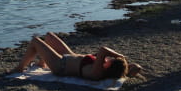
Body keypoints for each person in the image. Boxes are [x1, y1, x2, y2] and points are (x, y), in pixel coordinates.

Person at [12, 32, 142, 80]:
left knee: (35, 40)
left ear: (110, 66)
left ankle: (20, 67)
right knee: (49, 36)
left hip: (60, 65)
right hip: (69, 57)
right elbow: (137, 68)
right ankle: (42, 62)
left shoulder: (98, 72)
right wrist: (126, 65)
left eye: (112, 60)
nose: (111, 59)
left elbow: (103, 50)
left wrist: (120, 55)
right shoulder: (108, 68)